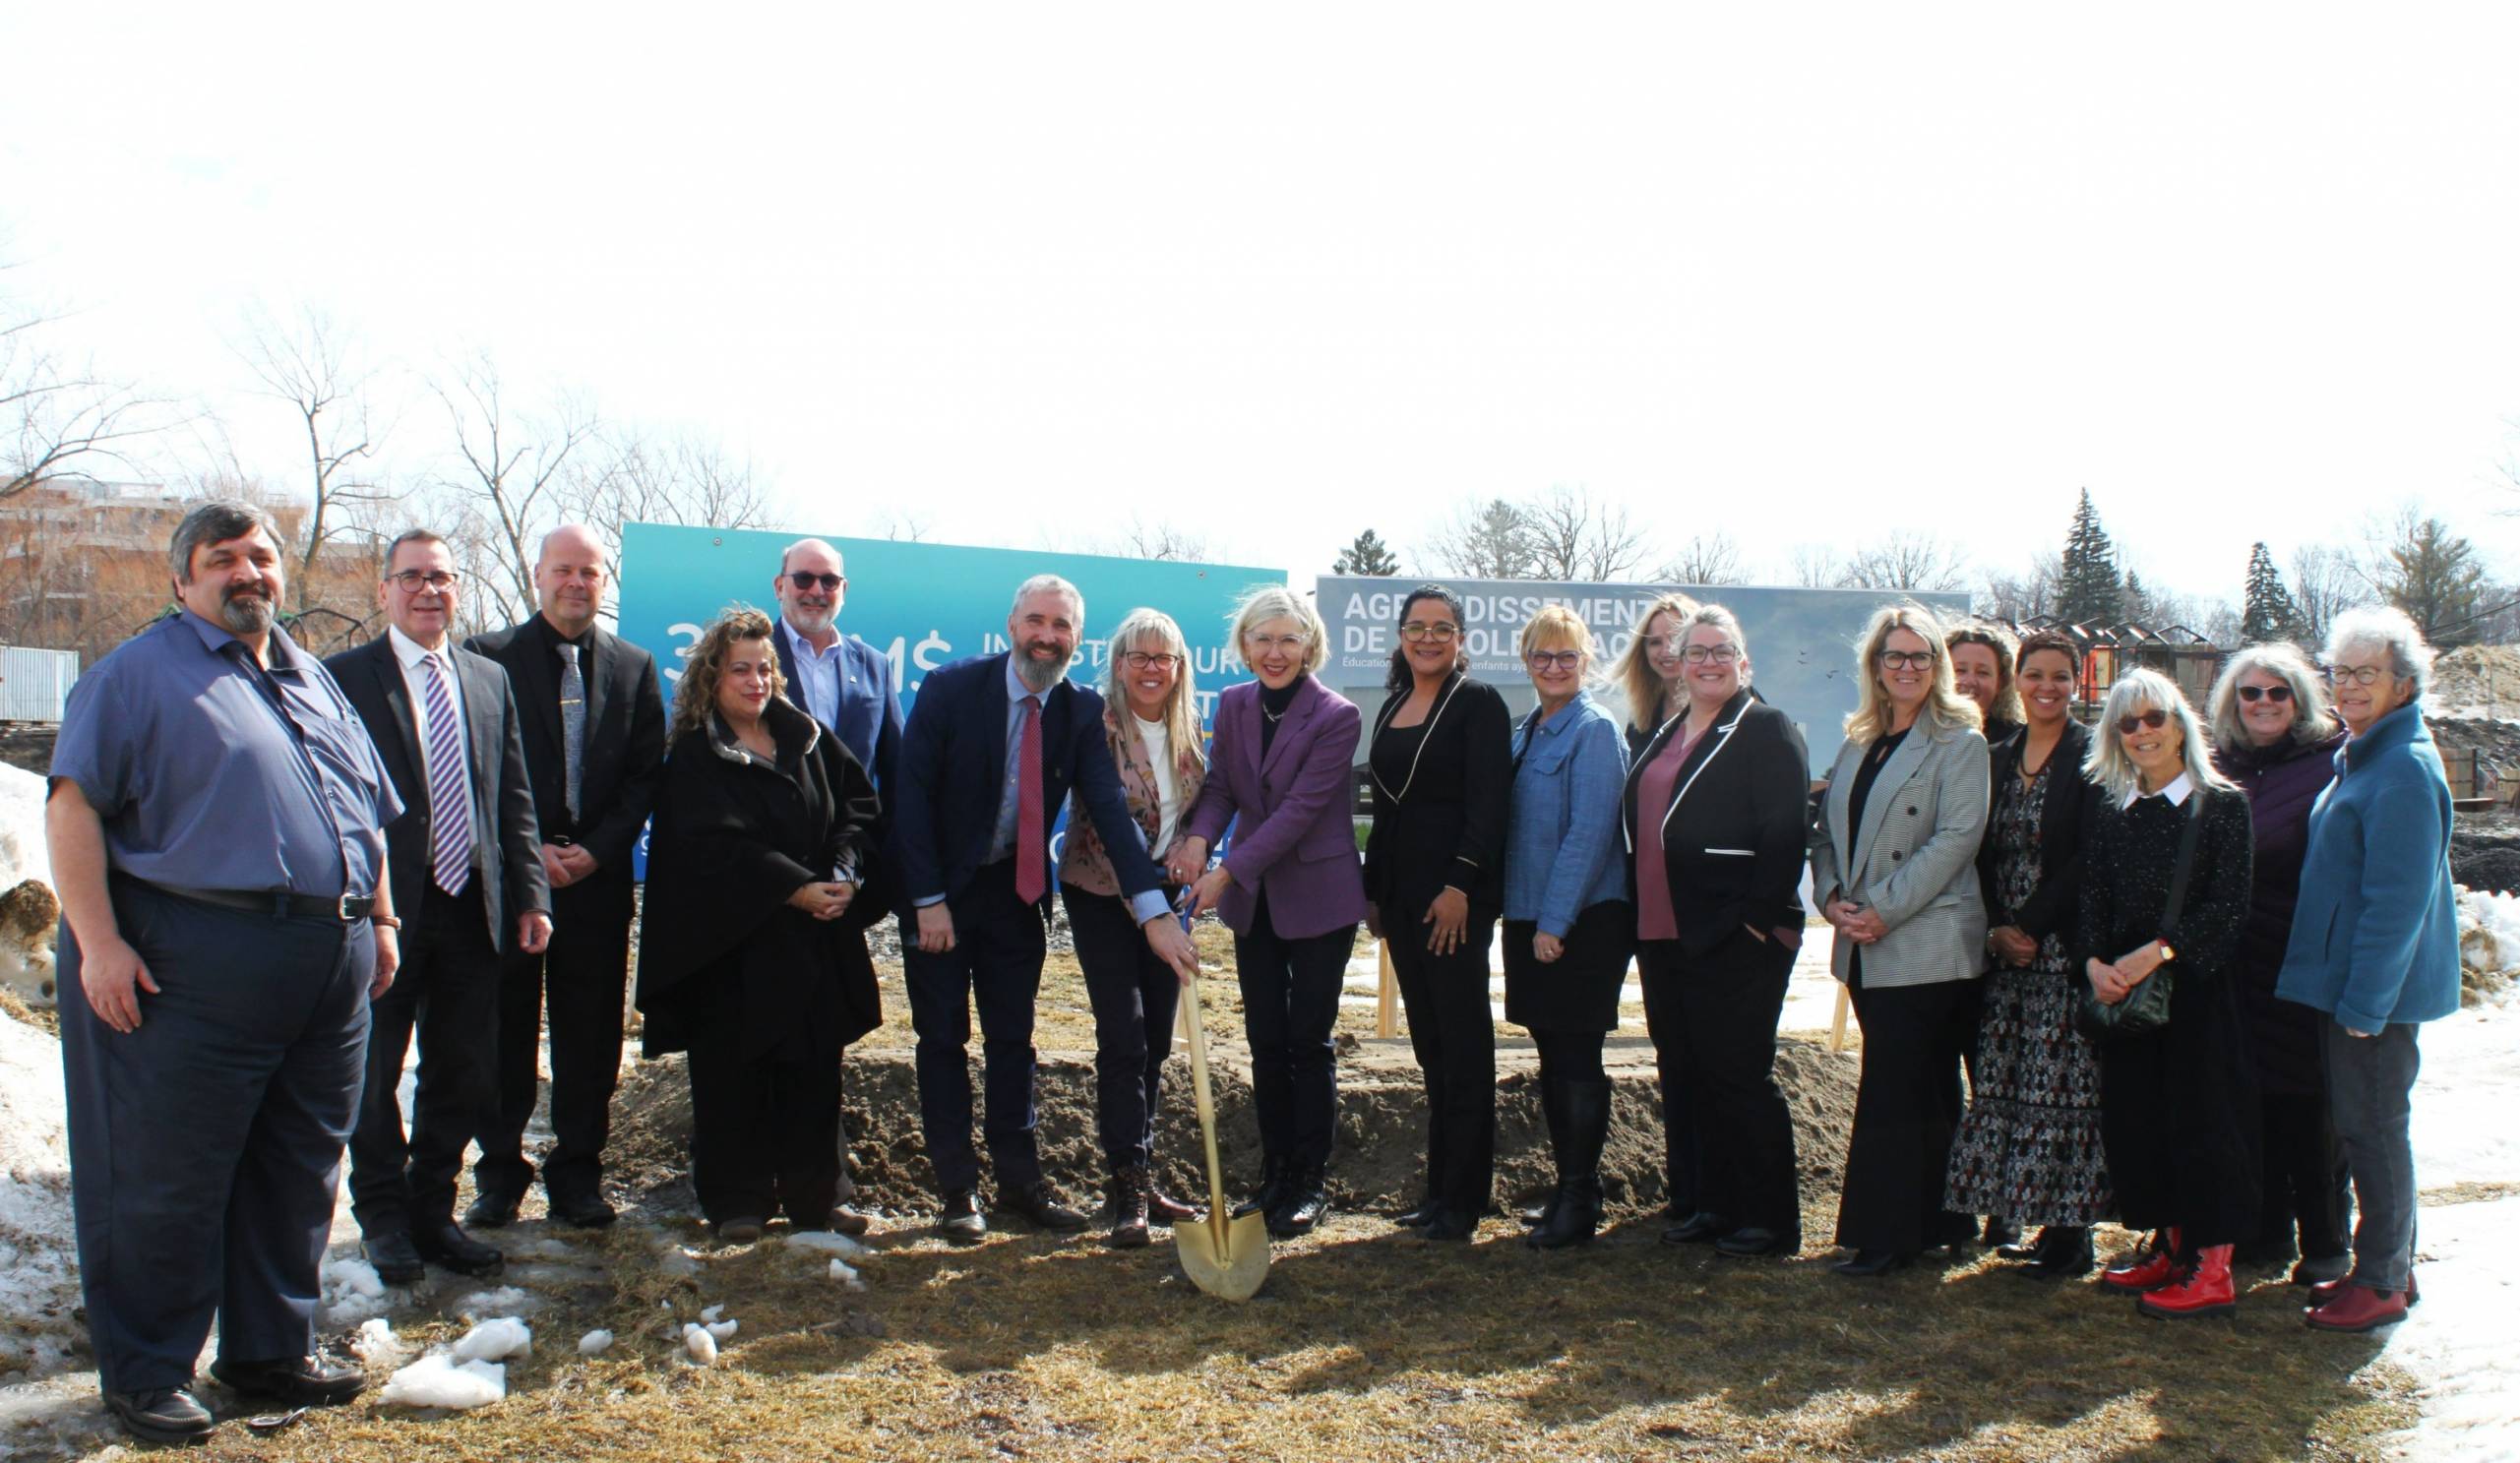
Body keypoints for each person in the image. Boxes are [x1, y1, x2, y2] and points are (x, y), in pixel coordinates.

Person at [47, 500, 401, 1443]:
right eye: (222, 559)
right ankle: (149, 1369)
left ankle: (267, 1350)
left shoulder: (313, 677)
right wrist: (99, 941)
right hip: (193, 954)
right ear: (182, 580)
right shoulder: (136, 676)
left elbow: (365, 810)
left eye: (261, 555)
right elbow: (74, 809)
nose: (248, 572)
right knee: (169, 1172)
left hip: (327, 958)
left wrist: (382, 914)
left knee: (298, 1162)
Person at [892, 575, 1199, 1244]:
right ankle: (956, 1191)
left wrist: (1151, 909)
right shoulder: (951, 688)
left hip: (1016, 894)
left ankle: (1018, 1183)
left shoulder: (1079, 710)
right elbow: (909, 799)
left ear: (1077, 638)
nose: (1047, 636)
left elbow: (1112, 814)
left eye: (1061, 626)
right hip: (942, 894)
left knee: (1013, 1042)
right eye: (1036, 620)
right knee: (942, 1040)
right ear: (1011, 625)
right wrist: (927, 901)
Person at [328, 529, 553, 1285]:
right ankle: (384, 1218)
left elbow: (512, 797)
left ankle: (434, 1212)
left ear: (459, 589)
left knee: (461, 1070)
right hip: (386, 911)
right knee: (374, 1070)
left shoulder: (486, 680)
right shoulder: (344, 679)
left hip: (473, 910)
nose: (429, 590)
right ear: (385, 590)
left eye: (443, 577)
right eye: (413, 577)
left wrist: (530, 893)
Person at [636, 609, 884, 1244]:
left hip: (813, 939)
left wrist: (844, 874)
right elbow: (714, 844)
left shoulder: (808, 736)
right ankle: (737, 1200)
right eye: (739, 669)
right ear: (711, 679)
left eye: (765, 668)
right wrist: (793, 889)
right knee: (731, 1072)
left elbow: (858, 807)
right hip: (732, 943)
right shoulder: (695, 755)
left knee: (813, 1069)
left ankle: (817, 1197)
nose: (755, 681)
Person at [466, 524, 669, 1230]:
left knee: (588, 1040)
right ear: (537, 576)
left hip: (597, 883)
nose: (576, 583)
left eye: (588, 572)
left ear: (603, 581)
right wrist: (531, 855)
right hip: (513, 882)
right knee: (505, 1032)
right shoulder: (485, 658)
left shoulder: (633, 666)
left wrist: (596, 851)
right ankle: (498, 1176)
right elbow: (476, 769)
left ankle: (578, 1175)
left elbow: (646, 774)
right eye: (563, 570)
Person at [2279, 607, 2464, 1333]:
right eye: (2340, 672)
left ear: (2403, 683)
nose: (2348, 687)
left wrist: (2365, 1003)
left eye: (2366, 674)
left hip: (2372, 996)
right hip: (2349, 985)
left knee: (2374, 1129)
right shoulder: (2364, 754)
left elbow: (2397, 903)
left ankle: (2382, 1276)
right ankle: (2388, 1265)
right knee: (2363, 1127)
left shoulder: (2403, 770)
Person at [1173, 584, 1369, 1239]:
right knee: (1264, 1040)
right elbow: (1223, 784)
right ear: (1244, 645)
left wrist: (1226, 871)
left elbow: (1297, 813)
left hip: (1319, 897)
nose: (1275, 651)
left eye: (1288, 638)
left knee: (1306, 1041)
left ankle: (1310, 1180)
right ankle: (1273, 1173)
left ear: (1309, 644)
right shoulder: (1232, 704)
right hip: (1255, 904)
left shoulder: (1335, 715)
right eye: (1262, 638)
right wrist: (1200, 836)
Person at [1810, 602, 1991, 1278]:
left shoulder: (1959, 742)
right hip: (1860, 938)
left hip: (1928, 942)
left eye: (1920, 655)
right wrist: (1829, 897)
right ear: (1875, 667)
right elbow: (1824, 829)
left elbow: (1955, 839)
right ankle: (1945, 1219)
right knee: (1923, 1086)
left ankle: (1885, 1234)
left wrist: (1881, 908)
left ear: (1937, 665)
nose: (1907, 667)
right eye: (1894, 656)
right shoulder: (1858, 738)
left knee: (1897, 1085)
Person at [1623, 603, 1810, 1258]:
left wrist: (1755, 925)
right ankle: (1710, 1202)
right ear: (1676, 659)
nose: (1707, 661)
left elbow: (1786, 834)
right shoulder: (1666, 730)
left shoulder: (1764, 728)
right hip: (1663, 932)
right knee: (1689, 1071)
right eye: (1695, 650)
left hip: (1734, 934)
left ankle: (1769, 1218)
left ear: (1742, 660)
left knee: (1737, 1072)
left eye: (1719, 650)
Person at [2079, 668, 2258, 1318]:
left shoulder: (2221, 805)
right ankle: (2170, 1246)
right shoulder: (2112, 810)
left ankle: (2211, 1266)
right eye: (2126, 722)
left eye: (2153, 716)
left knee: (2203, 1124)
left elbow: (2226, 907)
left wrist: (2154, 953)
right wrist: (2094, 962)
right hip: (2127, 997)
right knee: (2141, 1123)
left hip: (2195, 994)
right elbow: (2092, 899)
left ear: (2180, 722)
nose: (2141, 731)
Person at [1944, 631, 2109, 1279]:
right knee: (2006, 1082)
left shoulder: (2093, 753)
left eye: (2059, 676)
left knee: (2064, 1089)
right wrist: (1995, 927)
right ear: (2018, 679)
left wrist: (2029, 924)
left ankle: (2069, 1234)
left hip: (2061, 944)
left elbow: (2088, 854)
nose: (2046, 687)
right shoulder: (1996, 754)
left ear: (2076, 681)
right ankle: (2018, 1211)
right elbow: (1974, 849)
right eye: (2034, 674)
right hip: (2003, 950)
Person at [1363, 584, 1513, 1241]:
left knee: (1463, 1046)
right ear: (1399, 635)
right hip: (1400, 898)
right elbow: (1386, 809)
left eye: (1442, 627)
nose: (1428, 637)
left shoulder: (1477, 703)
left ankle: (1465, 1196)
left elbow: (1489, 805)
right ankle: (1436, 1191)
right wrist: (1374, 892)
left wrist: (1460, 885)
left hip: (1451, 901)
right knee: (1430, 1047)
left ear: (1460, 639)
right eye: (1416, 626)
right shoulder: (1394, 702)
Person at [1061, 608, 1208, 1248]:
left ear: (1179, 668)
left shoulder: (1191, 732)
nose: (1152, 668)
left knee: (1155, 1039)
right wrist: (1149, 903)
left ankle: (1142, 1172)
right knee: (1121, 1037)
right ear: (1118, 663)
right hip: (1102, 895)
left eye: (1164, 657)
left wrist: (1198, 853)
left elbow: (1203, 814)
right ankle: (1124, 1189)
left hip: (1168, 899)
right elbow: (1106, 826)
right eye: (1139, 656)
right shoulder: (1095, 728)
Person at [768, 535, 902, 1236]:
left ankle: (822, 1187)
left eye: (830, 581)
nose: (817, 591)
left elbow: (892, 772)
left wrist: (874, 874)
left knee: (824, 1039)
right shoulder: (749, 657)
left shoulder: (872, 665)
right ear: (780, 584)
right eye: (805, 578)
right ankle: (748, 1183)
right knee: (756, 1031)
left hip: (843, 885)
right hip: (765, 886)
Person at [2208, 642, 2352, 1286]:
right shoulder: (2216, 765)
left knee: (2308, 1105)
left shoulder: (2328, 762)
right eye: (2249, 692)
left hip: (2301, 957)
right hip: (2234, 965)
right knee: (2251, 1100)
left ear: (2299, 699)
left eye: (2276, 692)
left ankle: (2324, 1236)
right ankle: (2261, 1230)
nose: (2262, 703)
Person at [1501, 605, 1631, 1250]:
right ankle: (1566, 1186)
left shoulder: (1594, 730)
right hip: (1530, 917)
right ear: (1525, 661)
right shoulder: (1526, 732)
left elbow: (1589, 831)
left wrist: (1555, 923)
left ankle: (1581, 1197)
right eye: (1541, 656)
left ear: (1586, 662)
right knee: (1552, 1055)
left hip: (1580, 923)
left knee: (1576, 1057)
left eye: (1567, 657)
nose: (1553, 667)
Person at [1608, 589, 1704, 1223]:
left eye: (1680, 639)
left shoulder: (1737, 720)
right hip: (1652, 913)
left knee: (1713, 1053)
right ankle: (1688, 1189)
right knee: (1674, 1048)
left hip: (1711, 915)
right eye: (1655, 640)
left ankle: (1722, 1192)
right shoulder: (1638, 726)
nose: (1667, 651)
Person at [1948, 621, 2024, 749]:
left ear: (2001, 683)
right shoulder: (1920, 731)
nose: (1970, 681)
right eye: (1960, 670)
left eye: (1982, 672)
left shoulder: (2017, 742)